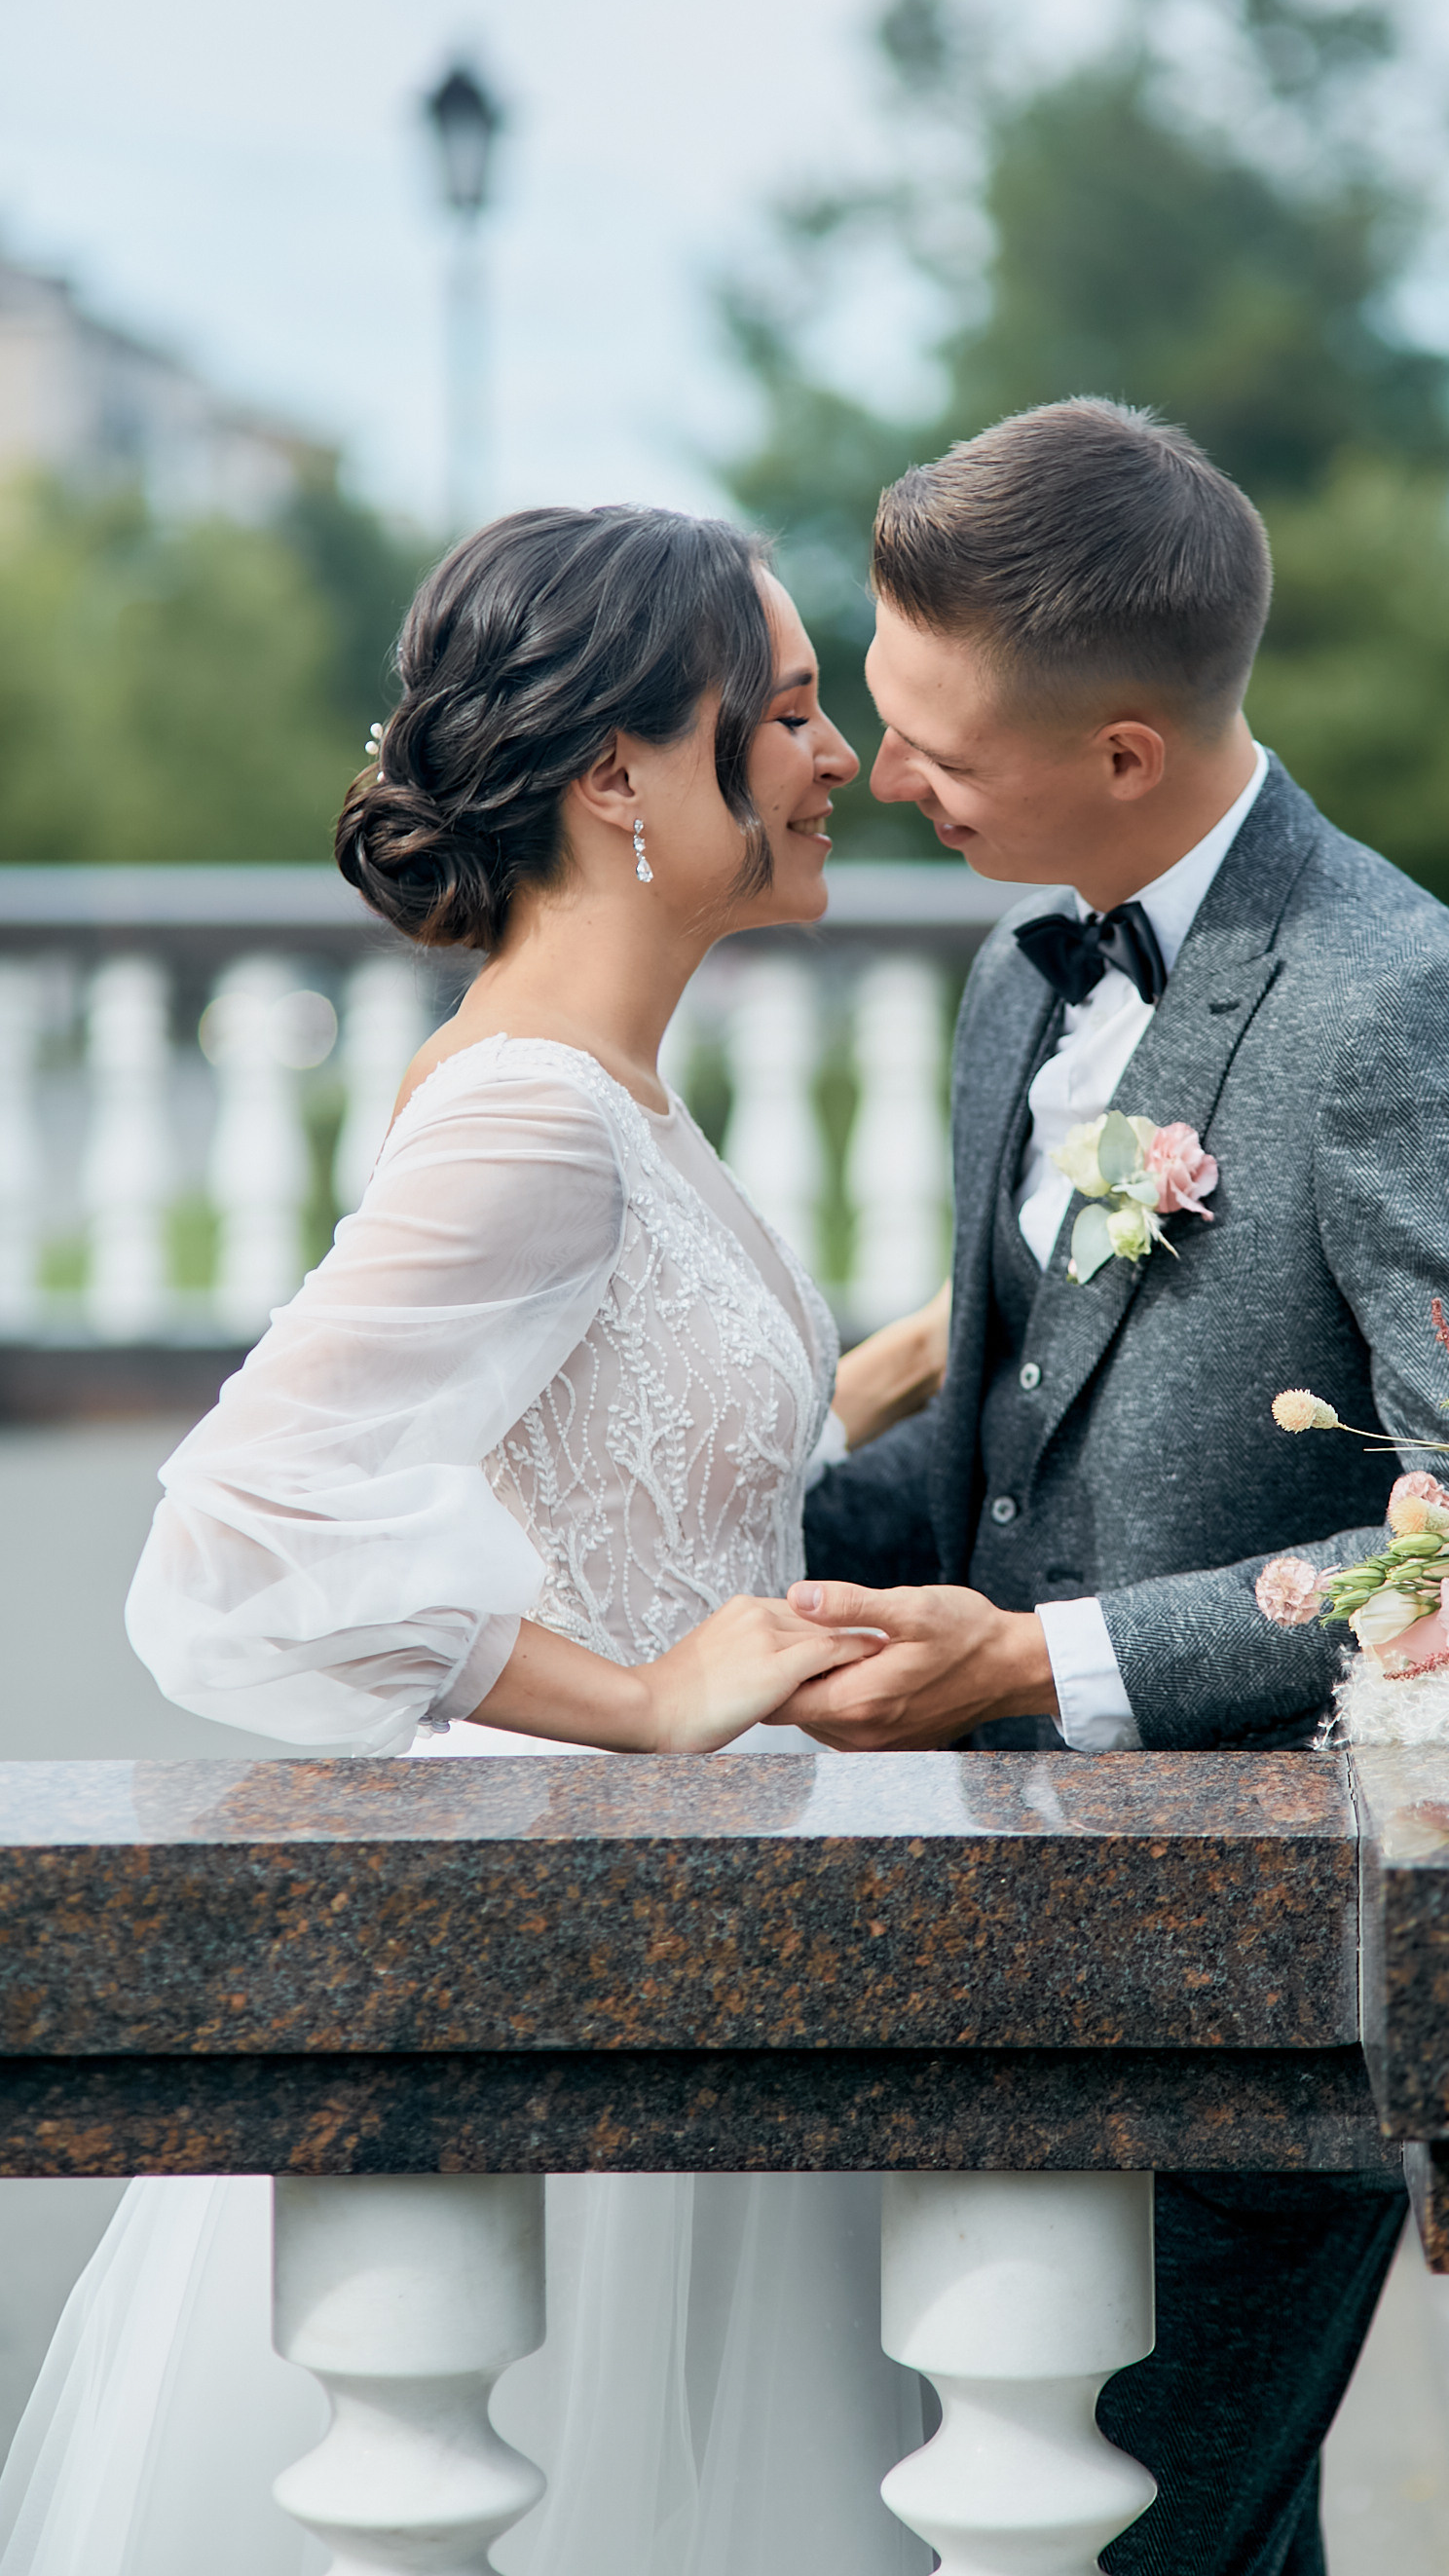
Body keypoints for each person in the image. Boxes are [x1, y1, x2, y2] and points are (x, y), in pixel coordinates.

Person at [0, 504, 946, 2576]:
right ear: (618, 774)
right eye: (784, 716)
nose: (836, 759)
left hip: (698, 1960)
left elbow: (635, 1428)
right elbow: (233, 1544)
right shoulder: (531, 1117)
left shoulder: (612, 1091)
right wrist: (630, 1698)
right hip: (560, 1967)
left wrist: (935, 1347)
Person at [773, 398, 1449, 2576]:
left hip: (1256, 2000)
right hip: (987, 1963)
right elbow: (999, 1449)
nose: (881, 778)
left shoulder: (1406, 1009)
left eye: (935, 745)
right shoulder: (1017, 960)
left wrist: (1044, 1661)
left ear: (1127, 751)